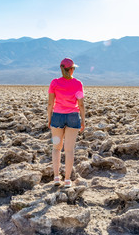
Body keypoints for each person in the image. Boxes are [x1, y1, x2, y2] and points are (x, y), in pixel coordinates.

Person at [47, 58, 85, 188]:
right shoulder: (78, 83)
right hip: (73, 118)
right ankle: (67, 180)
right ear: (71, 69)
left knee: (56, 148)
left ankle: (56, 177)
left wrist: (49, 118)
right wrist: (83, 121)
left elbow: (50, 103)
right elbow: (81, 104)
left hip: (57, 117)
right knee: (69, 150)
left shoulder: (55, 83)